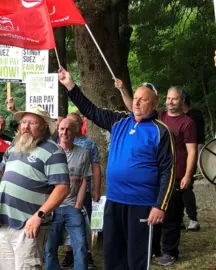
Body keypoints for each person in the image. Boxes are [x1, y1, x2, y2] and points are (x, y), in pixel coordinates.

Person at [59, 68, 175, 270]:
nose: (137, 103)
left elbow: (168, 171)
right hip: (114, 201)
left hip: (142, 204)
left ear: (154, 103)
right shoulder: (119, 120)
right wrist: (70, 85)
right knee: (113, 255)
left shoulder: (161, 131)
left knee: (136, 258)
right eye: (136, 98)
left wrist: (160, 205)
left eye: (143, 100)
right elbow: (91, 110)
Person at [0, 106, 71, 270]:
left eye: (32, 123)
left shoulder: (53, 151)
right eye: (24, 122)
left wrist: (39, 215)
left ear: (44, 127)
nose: (26, 127)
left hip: (30, 225)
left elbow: (62, 188)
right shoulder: (13, 148)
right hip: (6, 222)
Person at [117, 82, 197, 265]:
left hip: (176, 176)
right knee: (152, 215)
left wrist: (187, 175)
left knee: (171, 217)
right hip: (155, 178)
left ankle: (170, 251)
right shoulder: (159, 116)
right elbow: (133, 107)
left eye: (174, 99)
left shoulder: (188, 123)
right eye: (168, 98)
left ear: (181, 101)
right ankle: (153, 248)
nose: (170, 102)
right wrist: (122, 89)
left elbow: (192, 151)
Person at [45, 118, 91, 270]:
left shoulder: (84, 153)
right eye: (62, 129)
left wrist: (78, 204)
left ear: (75, 132)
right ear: (58, 130)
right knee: (49, 247)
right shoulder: (50, 153)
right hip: (53, 208)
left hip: (73, 207)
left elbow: (84, 180)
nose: (65, 132)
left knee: (81, 246)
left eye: (68, 129)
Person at [65, 112, 101, 269]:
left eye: (74, 123)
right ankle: (68, 254)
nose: (70, 127)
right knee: (65, 222)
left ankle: (87, 254)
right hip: (64, 191)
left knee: (83, 223)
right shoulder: (61, 141)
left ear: (80, 124)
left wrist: (96, 189)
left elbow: (96, 167)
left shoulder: (89, 144)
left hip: (83, 190)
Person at [182, 92, 204, 231]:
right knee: (177, 189)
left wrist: (199, 158)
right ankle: (179, 219)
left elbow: (200, 138)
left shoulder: (194, 115)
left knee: (186, 187)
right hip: (179, 157)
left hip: (191, 155)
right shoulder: (178, 117)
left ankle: (193, 219)